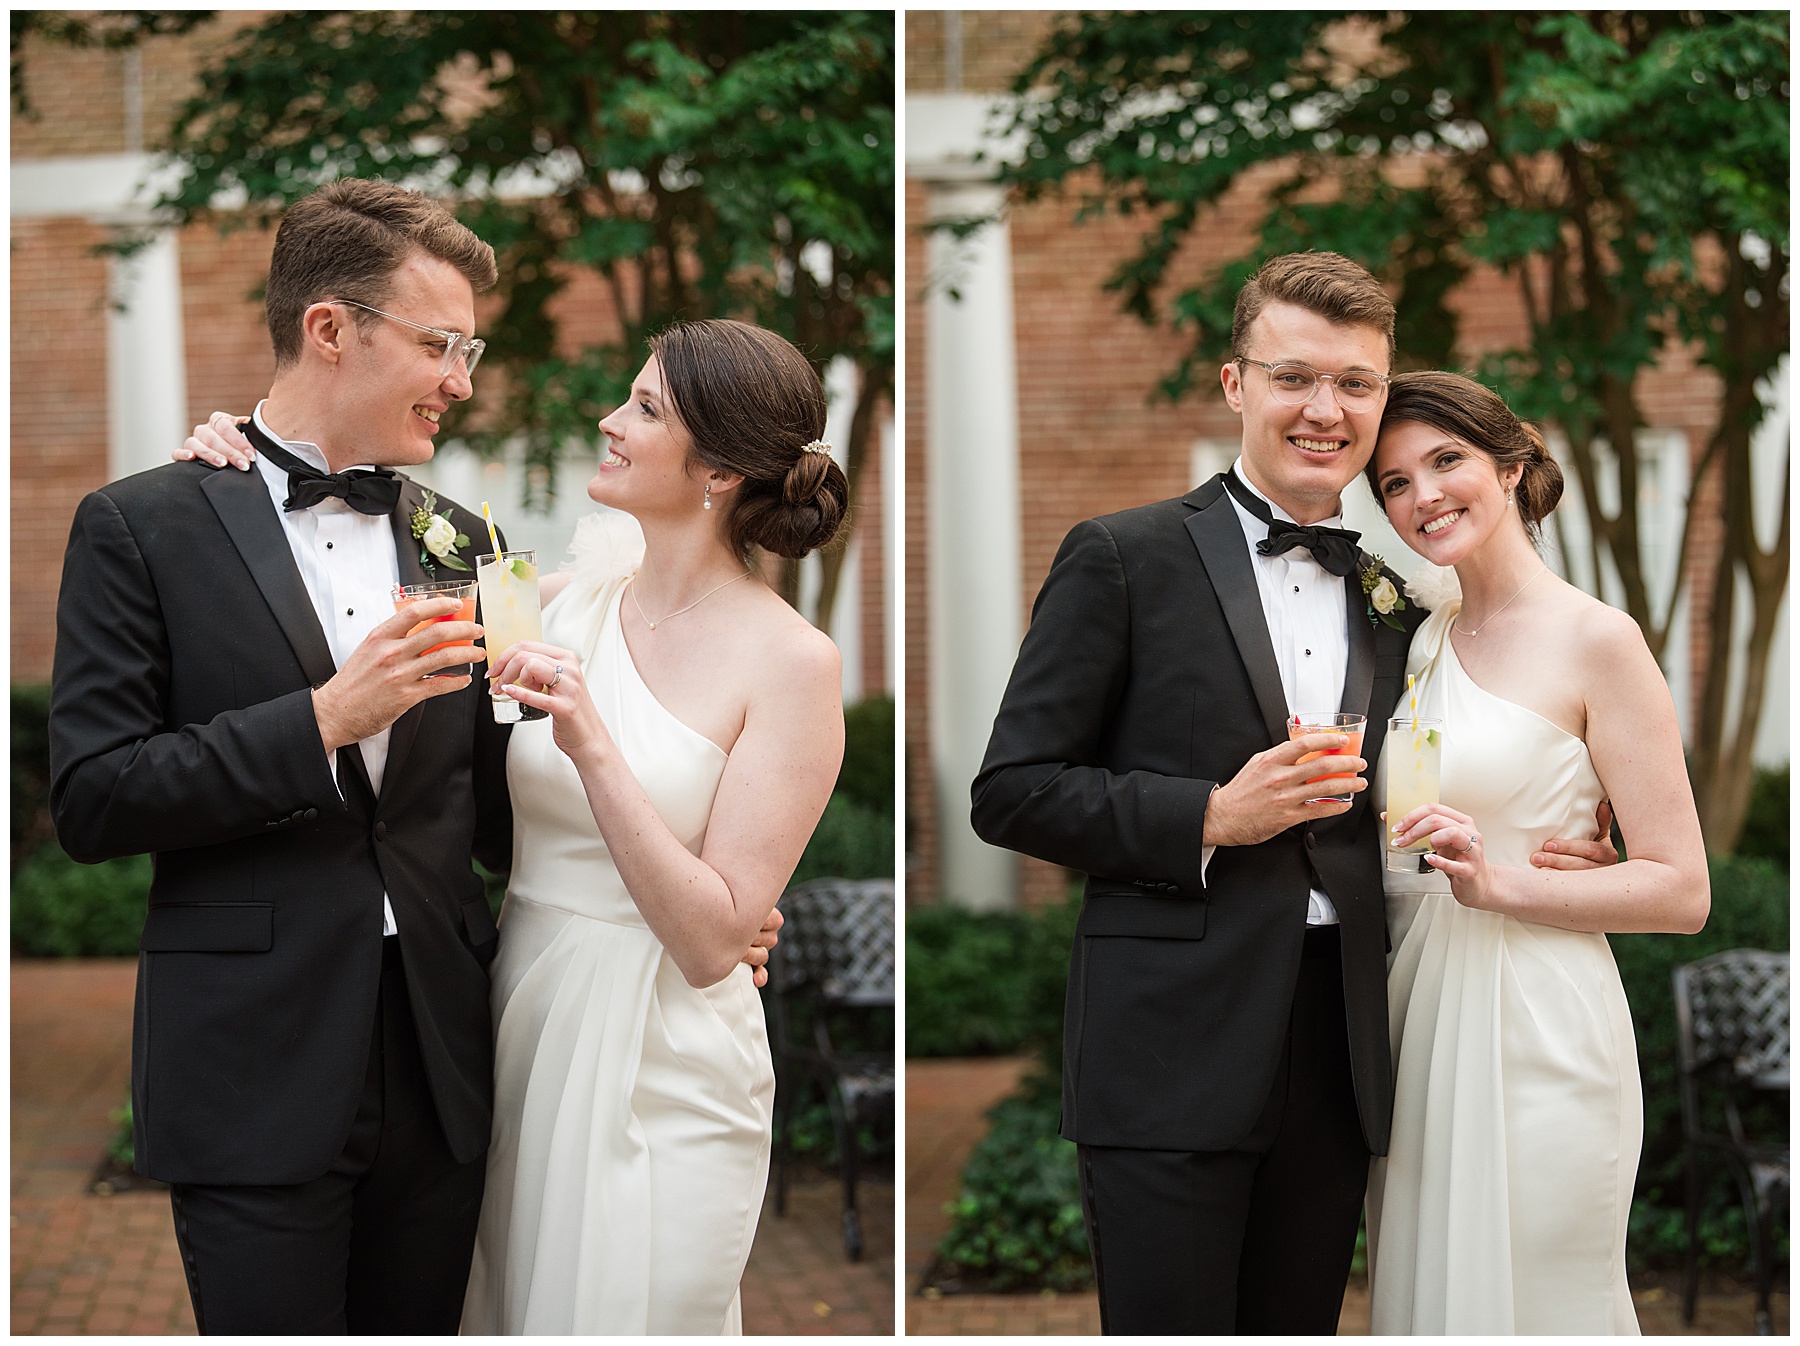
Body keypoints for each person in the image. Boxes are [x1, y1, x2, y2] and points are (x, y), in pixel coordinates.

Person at [970, 251, 1612, 1334]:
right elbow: (1013, 791)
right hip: (1169, 1048)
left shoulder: (1401, 598)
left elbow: (1482, 755)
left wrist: (1582, 836)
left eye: (1356, 383)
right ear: (1236, 385)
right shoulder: (1124, 557)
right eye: (1294, 377)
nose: (1328, 409)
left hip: (1345, 1047)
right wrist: (1211, 815)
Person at [185, 318, 847, 1333]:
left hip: (662, 1058)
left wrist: (589, 742)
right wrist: (244, 451)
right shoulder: (541, 602)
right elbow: (429, 763)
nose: (608, 420)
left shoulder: (793, 662)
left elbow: (715, 935)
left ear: (716, 467)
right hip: (515, 1029)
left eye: (645, 408)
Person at [50, 178, 510, 1334]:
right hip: (254, 1063)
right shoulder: (140, 524)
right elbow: (93, 796)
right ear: (329, 328)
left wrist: (705, 892)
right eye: (441, 343)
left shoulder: (468, 542)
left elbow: (500, 809)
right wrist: (318, 722)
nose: (464, 377)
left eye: (472, 346)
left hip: (441, 1064)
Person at [1364, 371, 1709, 1335]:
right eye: (1394, 482)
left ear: (1511, 465)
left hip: (1538, 1027)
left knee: (1544, 1302)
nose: (1422, 496)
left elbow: (1682, 889)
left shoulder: (1599, 640)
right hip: (1413, 1020)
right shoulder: (1410, 640)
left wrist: (1502, 882)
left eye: (1445, 461)